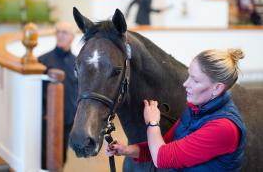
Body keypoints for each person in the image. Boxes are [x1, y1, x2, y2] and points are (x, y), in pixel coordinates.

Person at [106, 49, 247, 171]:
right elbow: (165, 144)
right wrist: (126, 150)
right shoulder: (195, 108)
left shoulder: (224, 128)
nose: (186, 84)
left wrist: (152, 123)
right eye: (188, 76)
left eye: (195, 80)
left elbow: (161, 157)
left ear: (217, 88)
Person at [38, 21, 77, 169]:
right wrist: (44, 114)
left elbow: (78, 91)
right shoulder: (43, 60)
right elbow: (37, 92)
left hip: (67, 120)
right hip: (47, 120)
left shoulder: (77, 62)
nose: (60, 35)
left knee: (62, 157)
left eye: (64, 32)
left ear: (72, 37)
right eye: (58, 31)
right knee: (45, 157)